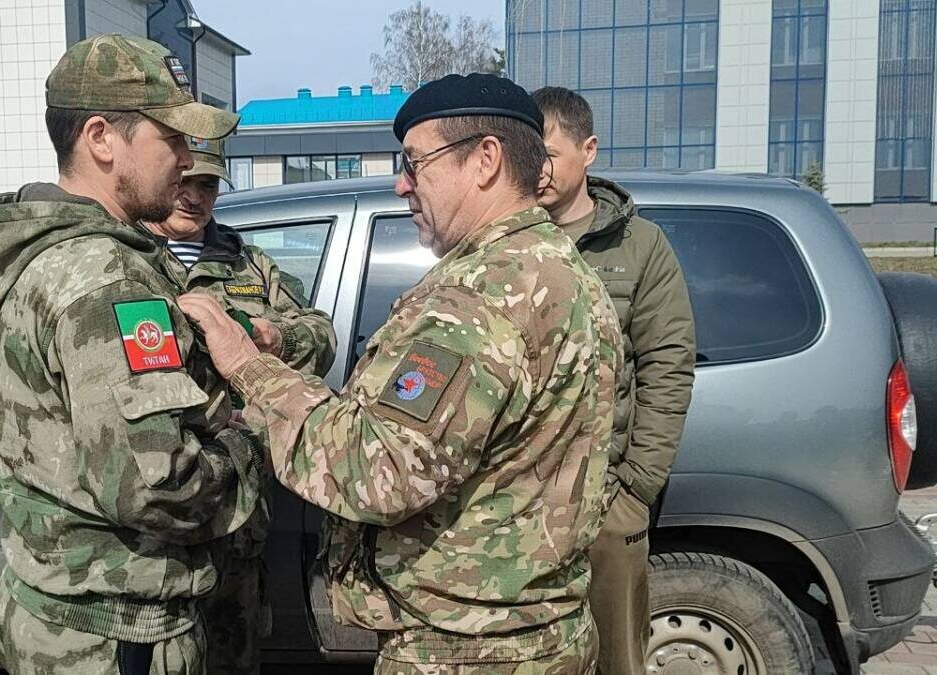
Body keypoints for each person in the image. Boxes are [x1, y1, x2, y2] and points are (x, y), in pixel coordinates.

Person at [178, 73, 623, 674]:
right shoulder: (565, 272)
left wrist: (249, 368)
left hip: (466, 649)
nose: (401, 183)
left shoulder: (481, 297)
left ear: (485, 160)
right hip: (544, 631)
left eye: (415, 163)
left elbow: (375, 471)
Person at [0, 34, 262, 675]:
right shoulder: (106, 280)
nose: (188, 160)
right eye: (173, 138)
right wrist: (249, 443)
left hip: (55, 613)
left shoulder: (40, 252)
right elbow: (157, 486)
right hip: (118, 635)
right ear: (101, 138)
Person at [145, 136, 337, 673]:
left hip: (237, 508)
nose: (191, 197)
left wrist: (277, 338)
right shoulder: (131, 263)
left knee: (235, 652)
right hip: (158, 513)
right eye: (184, 182)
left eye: (206, 185)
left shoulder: (248, 263)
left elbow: (321, 332)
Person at [532, 86, 697, 675]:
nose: (539, 168)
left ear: (589, 150)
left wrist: (636, 491)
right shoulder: (511, 242)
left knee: (616, 658)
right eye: (529, 153)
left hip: (607, 500)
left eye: (549, 152)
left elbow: (668, 364)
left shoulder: (640, 246)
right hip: (517, 504)